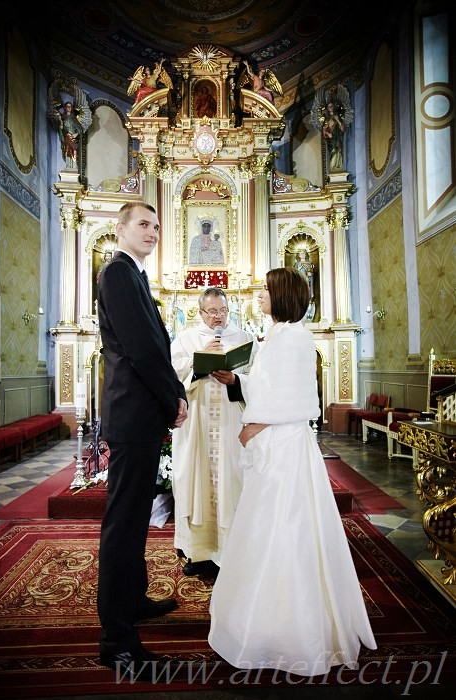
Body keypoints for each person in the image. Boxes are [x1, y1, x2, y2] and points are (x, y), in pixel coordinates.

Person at [208, 267, 377, 676]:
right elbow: (271, 386)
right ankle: (268, 617)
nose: (260, 295)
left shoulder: (293, 338)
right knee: (274, 529)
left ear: (282, 295)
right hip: (280, 441)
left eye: (266, 290)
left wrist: (253, 427)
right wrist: (239, 381)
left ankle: (286, 627)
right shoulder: (283, 336)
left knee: (281, 529)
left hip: (282, 446)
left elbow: (289, 398)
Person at [96, 202, 188, 681]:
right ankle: (116, 639)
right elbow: (141, 347)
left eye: (156, 225)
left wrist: (171, 394)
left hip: (139, 414)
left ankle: (132, 599)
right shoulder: (117, 273)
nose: (151, 231)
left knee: (133, 520)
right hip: (133, 414)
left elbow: (155, 344)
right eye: (142, 224)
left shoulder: (134, 275)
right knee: (124, 523)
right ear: (121, 229)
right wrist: (173, 394)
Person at [170, 287, 258, 576]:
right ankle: (198, 552)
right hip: (196, 425)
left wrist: (235, 379)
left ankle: (231, 551)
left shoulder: (245, 340)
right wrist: (197, 363)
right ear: (200, 311)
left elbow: (258, 379)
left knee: (232, 481)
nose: (218, 317)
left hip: (232, 426)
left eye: (223, 311)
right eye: (212, 311)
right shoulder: (185, 339)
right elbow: (172, 376)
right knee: (195, 482)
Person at [322, 101, 346, 170]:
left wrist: (338, 120)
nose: (331, 108)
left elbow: (342, 129)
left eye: (332, 106)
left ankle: (338, 166)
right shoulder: (327, 119)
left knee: (338, 151)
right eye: (329, 106)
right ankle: (333, 168)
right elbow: (324, 130)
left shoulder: (337, 116)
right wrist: (327, 134)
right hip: (331, 140)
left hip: (337, 138)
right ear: (327, 108)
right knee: (333, 152)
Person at [58, 101, 83, 167]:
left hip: (74, 138)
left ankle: (74, 166)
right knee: (67, 151)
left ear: (71, 108)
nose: (69, 108)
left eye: (70, 106)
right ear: (65, 108)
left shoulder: (74, 118)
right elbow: (61, 129)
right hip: (66, 137)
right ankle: (68, 165)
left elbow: (80, 129)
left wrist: (77, 134)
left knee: (74, 152)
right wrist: (60, 122)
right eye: (67, 106)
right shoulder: (63, 118)